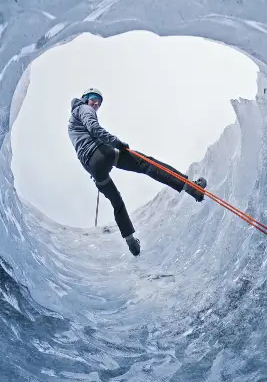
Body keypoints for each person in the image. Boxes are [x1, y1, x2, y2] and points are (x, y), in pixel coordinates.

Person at [68, 87, 207, 256]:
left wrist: (95, 170)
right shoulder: (84, 108)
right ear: (85, 98)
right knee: (146, 164)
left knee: (117, 202)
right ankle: (192, 188)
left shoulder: (71, 125)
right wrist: (117, 143)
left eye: (99, 102)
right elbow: (94, 127)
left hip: (94, 169)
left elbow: (82, 148)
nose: (96, 103)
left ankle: (131, 242)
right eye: (93, 98)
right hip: (103, 152)